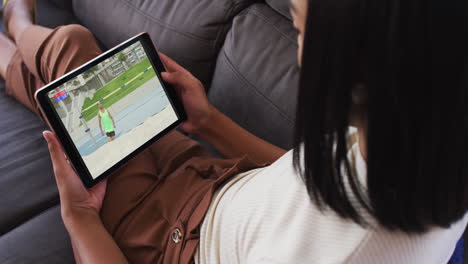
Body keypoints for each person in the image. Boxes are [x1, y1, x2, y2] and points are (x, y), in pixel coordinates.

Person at [0, 0, 467, 263]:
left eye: (299, 30)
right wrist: (209, 122)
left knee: (70, 50)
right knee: (80, 73)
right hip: (212, 179)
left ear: (350, 65)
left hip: (168, 238)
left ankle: (14, 26)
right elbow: (304, 179)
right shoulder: (423, 143)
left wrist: (80, 217)